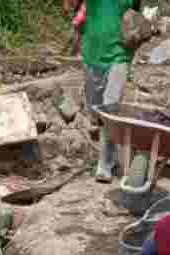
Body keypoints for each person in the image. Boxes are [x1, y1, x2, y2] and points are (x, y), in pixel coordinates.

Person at [63, 0, 139, 183]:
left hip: (119, 55)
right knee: (95, 112)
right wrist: (76, 26)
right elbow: (68, 7)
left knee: (109, 108)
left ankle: (104, 165)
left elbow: (136, 16)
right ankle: (112, 156)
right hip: (91, 54)